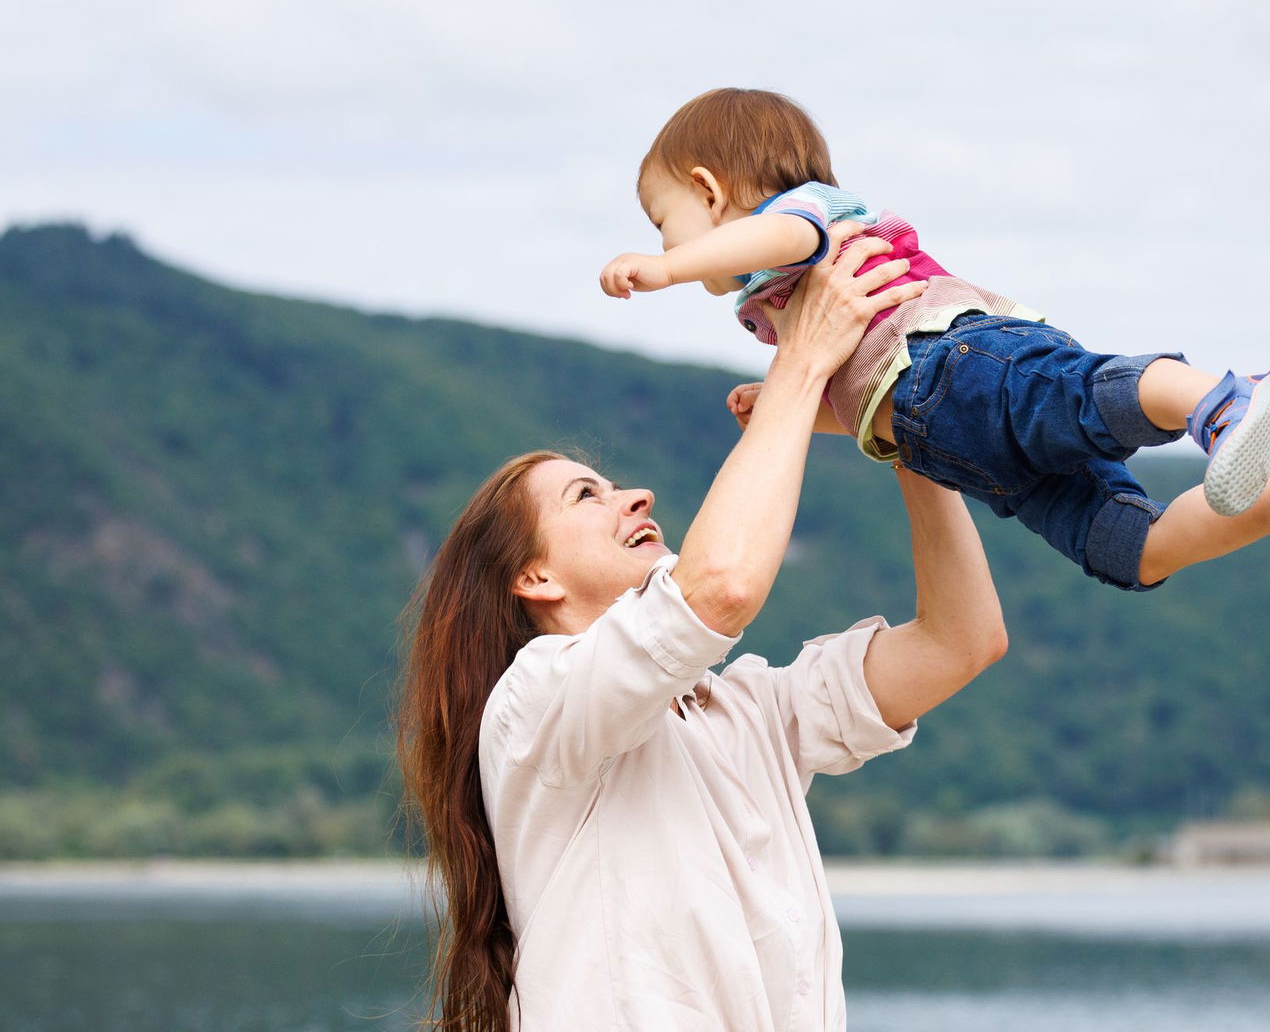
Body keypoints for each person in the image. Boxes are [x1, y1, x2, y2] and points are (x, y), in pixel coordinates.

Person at [394, 232, 1007, 1031]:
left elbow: (962, 640)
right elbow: (719, 588)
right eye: (588, 497)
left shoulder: (750, 711)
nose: (637, 497)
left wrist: (895, 422)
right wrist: (800, 364)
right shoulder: (534, 704)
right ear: (533, 579)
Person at [599, 87, 1270, 605]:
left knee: (1078, 399)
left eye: (665, 220)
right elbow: (863, 399)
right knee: (1131, 548)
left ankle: (1222, 400)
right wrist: (793, 410)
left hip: (956, 361)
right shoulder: (783, 309)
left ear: (709, 192)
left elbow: (781, 234)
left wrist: (666, 269)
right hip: (968, 453)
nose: (666, 240)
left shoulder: (804, 217)